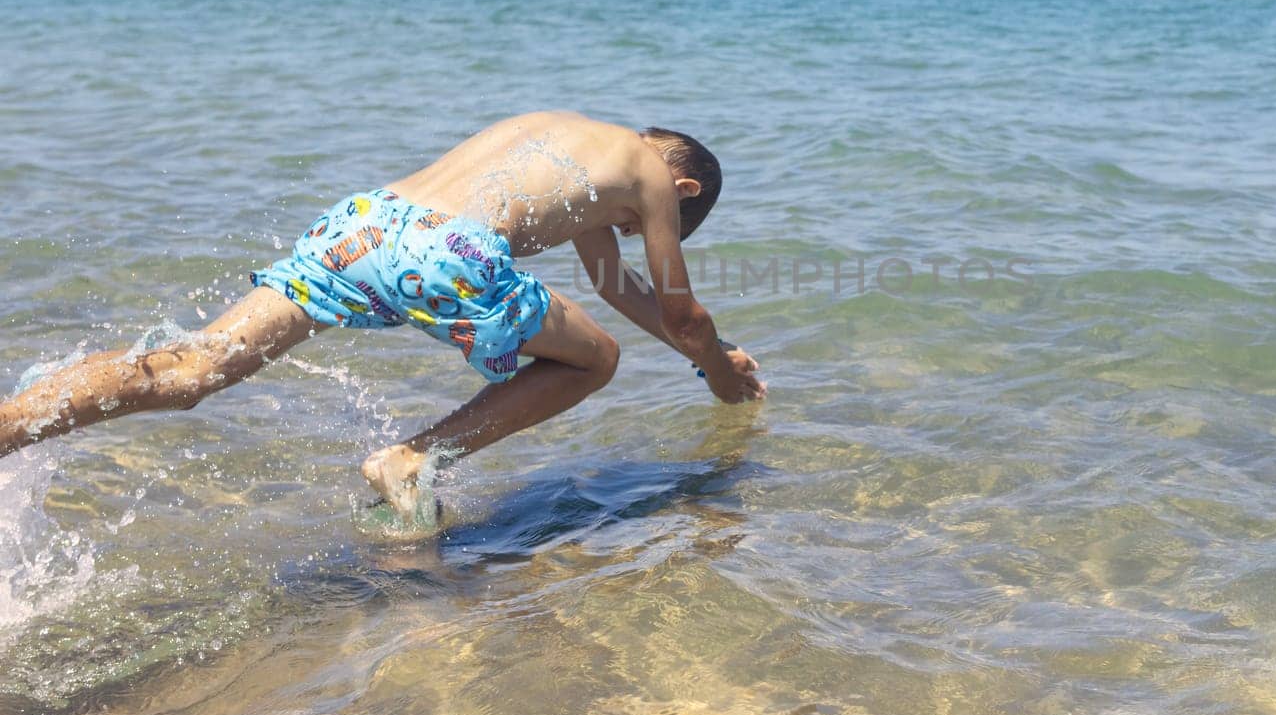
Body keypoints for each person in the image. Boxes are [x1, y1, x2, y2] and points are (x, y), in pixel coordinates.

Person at [0, 112, 766, 515]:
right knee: (596, 361)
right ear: (685, 189)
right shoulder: (655, 181)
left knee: (194, 367)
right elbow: (681, 310)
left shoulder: (579, 140)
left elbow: (612, 285)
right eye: (647, 224)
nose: (638, 228)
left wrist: (705, 345)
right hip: (443, 249)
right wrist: (719, 369)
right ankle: (413, 457)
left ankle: (15, 419)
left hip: (363, 220)